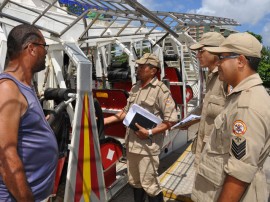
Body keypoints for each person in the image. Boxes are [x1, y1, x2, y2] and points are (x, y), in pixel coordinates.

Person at [192, 32, 270, 202]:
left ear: (240, 61)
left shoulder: (247, 105)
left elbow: (239, 173)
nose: (218, 62)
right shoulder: (239, 96)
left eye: (222, 57)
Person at [104, 53, 178, 202]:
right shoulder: (135, 87)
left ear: (153, 70)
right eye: (138, 66)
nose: (137, 69)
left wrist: (149, 131)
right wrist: (102, 121)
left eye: (142, 67)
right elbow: (125, 112)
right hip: (132, 145)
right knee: (135, 182)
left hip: (148, 147)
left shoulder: (161, 90)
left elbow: (171, 120)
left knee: (150, 185)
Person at [0, 24, 58, 201]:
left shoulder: (25, 86)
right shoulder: (7, 89)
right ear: (31, 48)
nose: (46, 52)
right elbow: (5, 158)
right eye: (44, 47)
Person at [189, 32, 227, 167]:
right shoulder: (211, 77)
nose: (198, 55)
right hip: (205, 152)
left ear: (216, 51)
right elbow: (206, 108)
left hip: (217, 156)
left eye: (201, 51)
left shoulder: (227, 80)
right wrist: (187, 120)